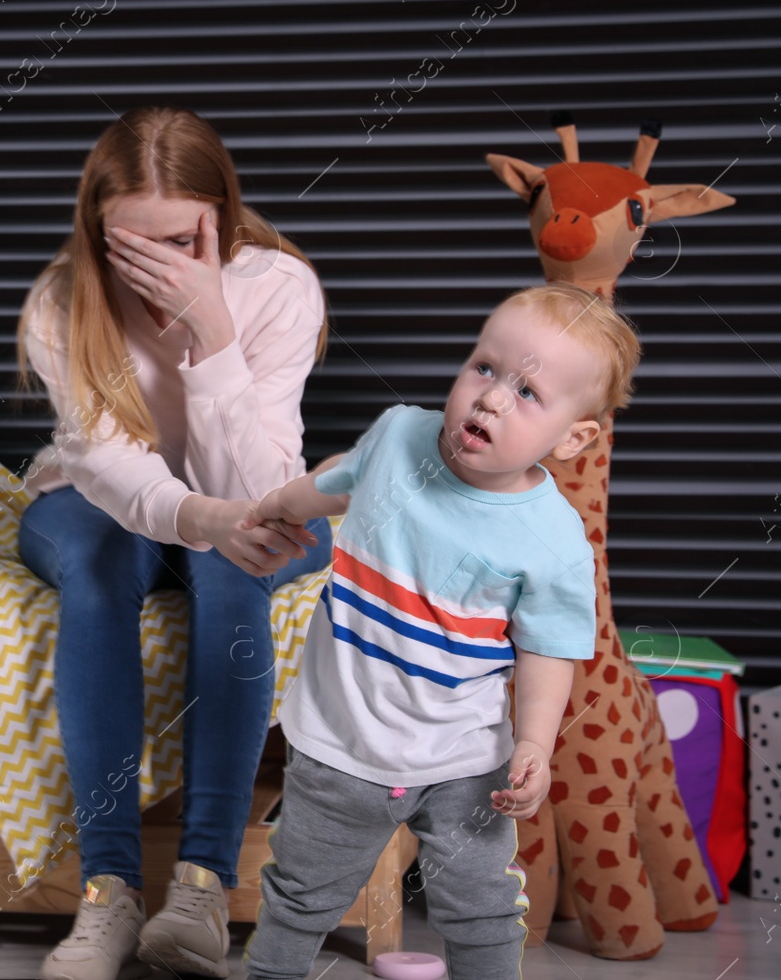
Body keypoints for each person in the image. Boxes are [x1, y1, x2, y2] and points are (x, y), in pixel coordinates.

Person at [242, 282, 642, 980]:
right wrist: (279, 504)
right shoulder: (399, 433)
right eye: (484, 368)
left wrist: (533, 744)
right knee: (300, 892)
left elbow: (548, 653)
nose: (490, 397)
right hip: (342, 745)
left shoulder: (553, 541)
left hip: (465, 759)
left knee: (483, 903)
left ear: (574, 437)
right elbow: (338, 480)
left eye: (528, 393)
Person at [16, 105, 333, 980]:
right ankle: (108, 891)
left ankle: (199, 892)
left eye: (179, 242)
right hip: (95, 500)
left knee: (234, 575)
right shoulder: (61, 303)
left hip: (254, 494)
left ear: (220, 220)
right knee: (99, 560)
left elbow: (256, 489)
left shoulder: (278, 288)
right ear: (94, 228)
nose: (155, 269)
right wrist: (204, 520)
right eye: (131, 247)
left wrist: (213, 330)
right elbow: (111, 472)